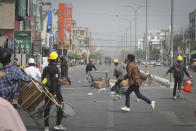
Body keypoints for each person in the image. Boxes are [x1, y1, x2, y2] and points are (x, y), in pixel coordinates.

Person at [42, 51, 66, 131]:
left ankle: (46, 127)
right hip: (55, 91)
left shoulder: (45, 69)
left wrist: (46, 89)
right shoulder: (55, 69)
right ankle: (58, 124)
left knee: (47, 108)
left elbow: (43, 80)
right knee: (61, 107)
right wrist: (55, 93)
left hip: (47, 91)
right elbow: (54, 81)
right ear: (55, 60)